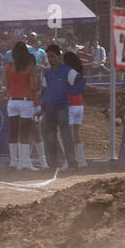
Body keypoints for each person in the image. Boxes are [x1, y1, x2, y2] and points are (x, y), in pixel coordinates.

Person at [40, 44, 80, 172]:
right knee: (49, 135)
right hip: (49, 108)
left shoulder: (67, 71)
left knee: (66, 134)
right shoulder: (47, 74)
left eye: (52, 56)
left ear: (59, 56)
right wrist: (42, 107)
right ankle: (53, 163)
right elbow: (44, 91)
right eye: (48, 57)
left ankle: (72, 162)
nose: (50, 59)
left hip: (62, 107)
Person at [5, 39, 40, 170]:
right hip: (26, 101)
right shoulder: (30, 66)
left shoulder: (8, 67)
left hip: (12, 100)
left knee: (13, 132)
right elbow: (33, 86)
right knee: (24, 132)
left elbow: (7, 86)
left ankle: (13, 161)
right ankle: (25, 162)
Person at [63, 50, 88, 167]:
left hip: (71, 105)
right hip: (79, 105)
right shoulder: (78, 71)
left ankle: (68, 161)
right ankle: (82, 161)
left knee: (68, 135)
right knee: (76, 135)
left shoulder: (68, 72)